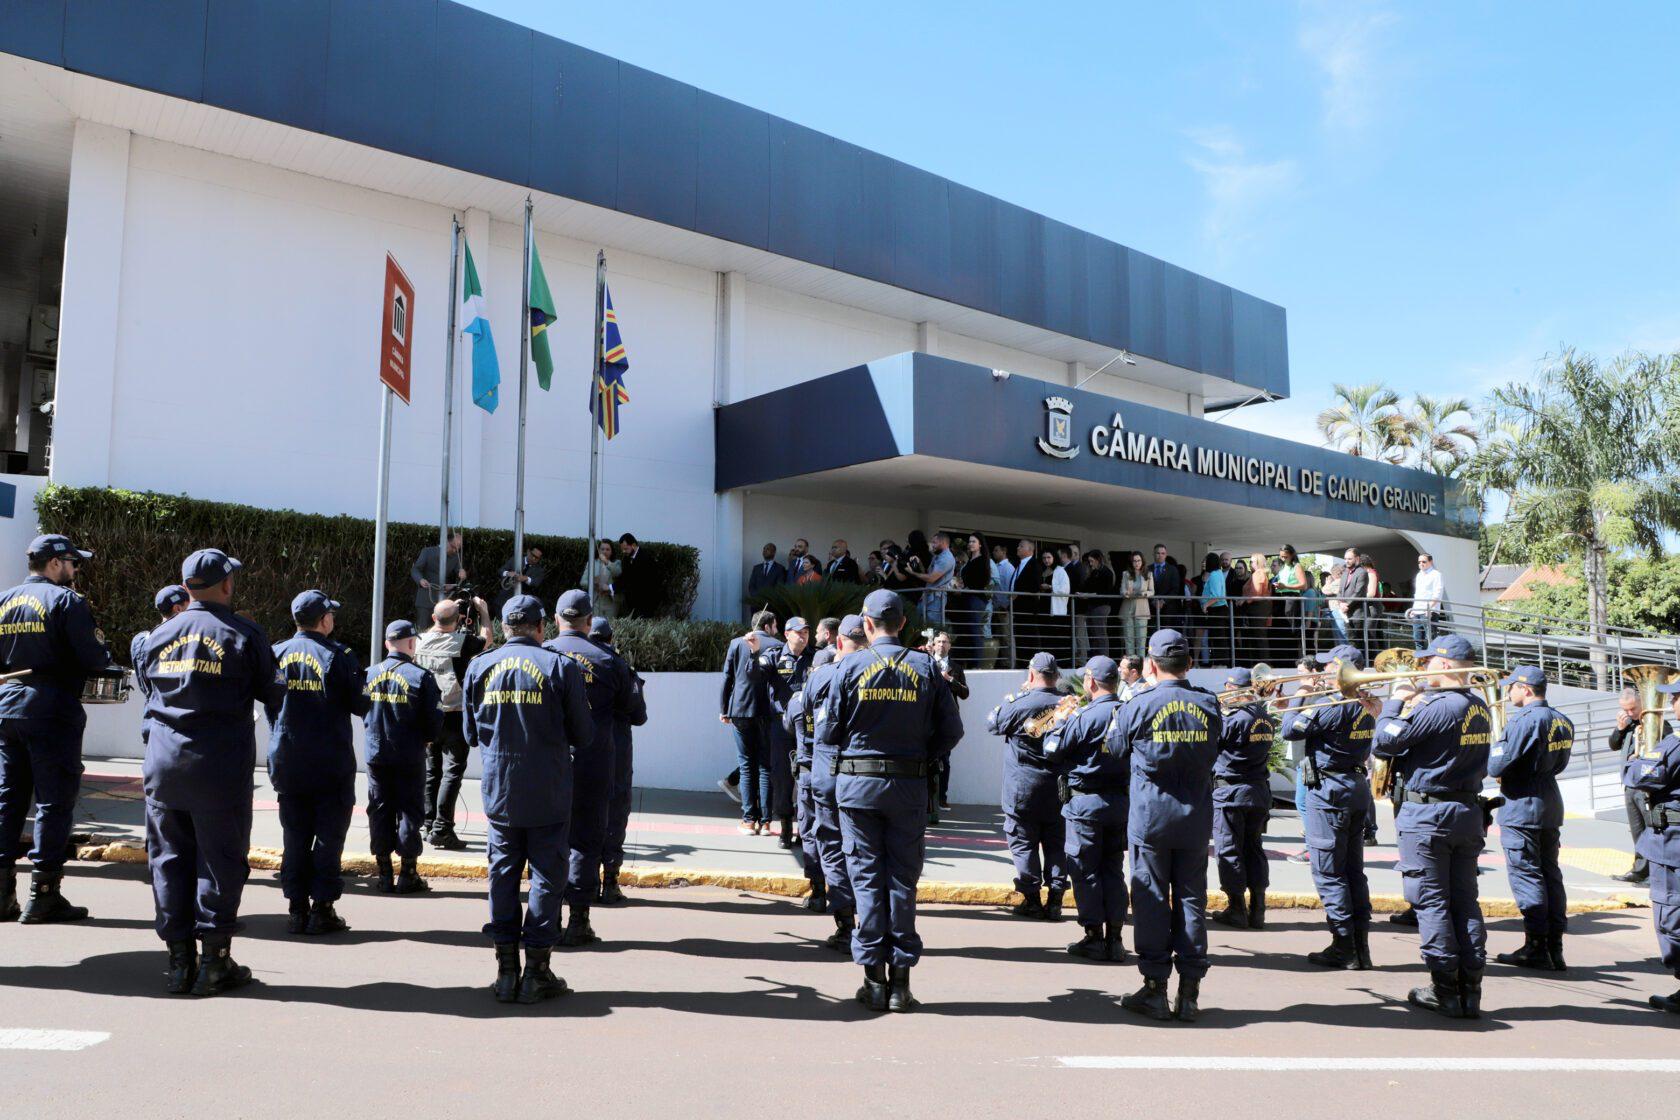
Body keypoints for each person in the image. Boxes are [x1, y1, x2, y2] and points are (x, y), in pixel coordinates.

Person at [138, 548, 280, 995]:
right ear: (227, 584)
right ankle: (214, 961)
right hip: (218, 767)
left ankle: (180, 962)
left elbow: (148, 690)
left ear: (184, 588)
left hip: (163, 764)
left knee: (168, 860)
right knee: (219, 863)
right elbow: (273, 693)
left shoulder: (158, 636)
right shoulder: (243, 632)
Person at [821, 588, 963, 1013]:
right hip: (908, 787)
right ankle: (900, 985)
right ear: (903, 624)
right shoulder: (926, 667)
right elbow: (952, 731)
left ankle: (873, 981)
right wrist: (922, 758)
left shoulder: (848, 667)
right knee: (902, 882)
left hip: (858, 790)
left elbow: (828, 733)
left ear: (866, 624)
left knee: (866, 880)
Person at [462, 594, 593, 1004]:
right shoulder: (560, 666)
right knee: (547, 877)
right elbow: (583, 735)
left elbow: (470, 735)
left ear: (504, 628)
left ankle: (505, 972)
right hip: (548, 791)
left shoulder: (480, 666)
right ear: (541, 628)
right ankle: (536, 971)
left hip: (501, 791)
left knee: (502, 875)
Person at [1370, 633, 1494, 1019]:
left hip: (1428, 816)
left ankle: (1444, 989)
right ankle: (1470, 989)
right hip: (1465, 810)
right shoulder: (1479, 705)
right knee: (1464, 901)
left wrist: (1394, 700)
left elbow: (1384, 744)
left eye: (1426, 664)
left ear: (1443, 665)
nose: (1421, 670)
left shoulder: (1440, 706)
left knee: (1432, 901)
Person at [0, 534, 114, 924]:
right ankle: (44, 894)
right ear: (54, 563)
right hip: (50, 708)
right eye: (73, 563)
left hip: (7, 707)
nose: (76, 570)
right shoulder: (66, 601)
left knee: (9, 799)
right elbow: (94, 657)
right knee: (53, 801)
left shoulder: (4, 599)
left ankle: (1, 896)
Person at [1112, 630, 1221, 1023]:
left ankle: (1155, 989)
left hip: (1151, 817)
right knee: (1192, 900)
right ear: (1189, 663)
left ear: (1151, 665)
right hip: (1194, 818)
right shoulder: (1209, 703)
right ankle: (1189, 993)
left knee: (1152, 900)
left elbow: (1114, 748)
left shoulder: (1139, 703)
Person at [265, 590, 370, 936]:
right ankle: (322, 909)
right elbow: (361, 704)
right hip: (329, 761)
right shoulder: (339, 656)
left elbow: (267, 701)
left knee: (294, 835)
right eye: (331, 616)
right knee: (328, 836)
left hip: (288, 758)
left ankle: (296, 909)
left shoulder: (276, 652)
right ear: (324, 620)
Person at [545, 589, 640, 947]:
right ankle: (579, 921)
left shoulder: (543, 654)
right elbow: (637, 712)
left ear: (556, 620)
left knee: (550, 839)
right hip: (595, 761)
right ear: (588, 621)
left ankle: (548, 917)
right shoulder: (610, 661)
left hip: (551, 761)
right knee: (585, 840)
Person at [1281, 644, 1376, 969]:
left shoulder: (1331, 704)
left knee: (1329, 872)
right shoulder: (1368, 704)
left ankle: (1343, 945)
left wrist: (1303, 691)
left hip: (1329, 790)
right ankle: (1361, 947)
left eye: (1327, 667)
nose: (1321, 672)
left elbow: (1287, 729)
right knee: (1353, 872)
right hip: (1354, 784)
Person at [1488, 665, 1574, 972]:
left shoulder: (1524, 720)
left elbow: (1496, 766)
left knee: (1527, 875)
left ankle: (1536, 945)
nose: (1508, 692)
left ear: (1525, 689)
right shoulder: (1562, 720)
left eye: (1511, 686)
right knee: (1550, 874)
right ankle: (1555, 946)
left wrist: (1497, 745)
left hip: (1523, 802)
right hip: (1549, 799)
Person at [1045, 656, 1128, 958]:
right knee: (1113, 869)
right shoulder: (1128, 712)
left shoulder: (1084, 717)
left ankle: (1094, 936)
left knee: (1085, 871)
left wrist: (1061, 721)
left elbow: (1052, 750)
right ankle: (1116, 938)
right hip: (1120, 801)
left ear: (1091, 682)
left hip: (1085, 804)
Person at [986, 653, 1069, 921]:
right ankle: (1055, 900)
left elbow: (993, 723)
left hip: (1023, 788)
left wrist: (1017, 698)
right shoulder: (1068, 705)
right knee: (1057, 844)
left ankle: (1032, 899)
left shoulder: (1018, 704)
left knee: (1023, 843)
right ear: (1056, 676)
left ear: (1031, 675)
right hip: (1058, 789)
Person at [363, 620, 442, 895]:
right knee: (410, 811)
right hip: (409, 754)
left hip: (376, 754)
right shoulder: (421, 677)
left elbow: (362, 710)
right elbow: (433, 721)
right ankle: (408, 873)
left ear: (386, 644)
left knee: (380, 809)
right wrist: (427, 739)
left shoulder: (369, 673)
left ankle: (384, 873)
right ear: (411, 643)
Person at [799, 615, 864, 950]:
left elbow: (807, 716)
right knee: (866, 852)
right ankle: (870, 926)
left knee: (834, 848)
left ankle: (845, 925)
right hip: (864, 776)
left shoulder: (822, 675)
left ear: (838, 642)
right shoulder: (883, 671)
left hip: (827, 772)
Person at [414, 595, 491, 850]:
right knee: (452, 771)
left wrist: (448, 612)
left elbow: (437, 626)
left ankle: (428, 823)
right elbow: (487, 640)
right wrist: (483, 612)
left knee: (431, 770)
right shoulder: (461, 641)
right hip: (454, 713)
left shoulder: (420, 640)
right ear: (458, 620)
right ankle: (442, 828)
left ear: (434, 618)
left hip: (427, 715)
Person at [1627, 677, 1680, 1014]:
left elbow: (1638, 776)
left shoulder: (1674, 744)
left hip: (1673, 844)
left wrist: (1639, 755)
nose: (1670, 703)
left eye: (1674, 697)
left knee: (1670, 915)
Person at [1210, 668, 1276, 930]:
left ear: (1234, 688)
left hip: (1231, 791)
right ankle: (1258, 908)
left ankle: (1236, 908)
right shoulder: (1266, 716)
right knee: (1254, 848)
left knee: (1229, 850)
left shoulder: (1233, 719)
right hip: (1258, 790)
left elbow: (1212, 746)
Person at [589, 618, 647, 906]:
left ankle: (579, 883)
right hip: (614, 749)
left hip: (580, 750)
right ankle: (609, 882)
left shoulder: (565, 661)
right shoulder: (620, 665)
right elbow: (639, 715)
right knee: (614, 812)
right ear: (611, 638)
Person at [752, 616, 814, 848]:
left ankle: (805, 830)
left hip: (809, 726)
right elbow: (755, 677)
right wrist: (755, 655)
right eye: (798, 632)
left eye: (806, 632)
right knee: (782, 777)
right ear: (787, 634)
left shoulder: (815, 657)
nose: (803, 636)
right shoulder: (774, 656)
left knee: (808, 777)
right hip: (781, 725)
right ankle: (786, 828)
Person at [719, 610, 783, 833]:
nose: (776, 629)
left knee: (746, 765)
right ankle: (765, 822)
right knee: (765, 765)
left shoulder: (736, 643)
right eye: (775, 625)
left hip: (740, 709)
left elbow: (727, 677)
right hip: (767, 710)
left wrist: (724, 709)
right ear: (767, 626)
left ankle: (748, 820)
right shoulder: (777, 645)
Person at [1612, 686, 1669, 884]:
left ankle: (1655, 873)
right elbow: (1613, 744)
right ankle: (1639, 870)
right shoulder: (1629, 725)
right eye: (1625, 709)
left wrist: (1642, 758)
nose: (1629, 713)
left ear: (1643, 704)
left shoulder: (1660, 725)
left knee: (1650, 831)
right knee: (1637, 830)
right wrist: (1620, 729)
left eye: (1633, 709)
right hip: (1630, 785)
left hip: (1648, 787)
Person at [924, 631, 969, 820]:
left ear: (950, 645)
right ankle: (926, 800)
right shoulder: (926, 662)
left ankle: (942, 798)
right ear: (933, 645)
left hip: (947, 719)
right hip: (927, 718)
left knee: (945, 761)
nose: (942, 645)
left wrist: (949, 679)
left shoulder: (956, 667)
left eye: (945, 642)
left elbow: (965, 693)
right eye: (939, 642)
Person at [411, 530, 466, 627]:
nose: (455, 551)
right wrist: (420, 580)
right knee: (422, 628)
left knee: (441, 629)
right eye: (453, 547)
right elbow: (415, 569)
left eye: (458, 549)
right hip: (425, 598)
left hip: (442, 600)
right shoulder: (427, 552)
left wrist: (462, 575)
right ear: (446, 542)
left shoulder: (455, 557)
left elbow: (459, 577)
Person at [954, 534, 992, 667]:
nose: (970, 544)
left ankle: (977, 664)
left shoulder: (982, 560)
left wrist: (966, 587)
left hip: (975, 599)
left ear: (980, 544)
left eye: (973, 541)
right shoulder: (971, 560)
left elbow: (982, 581)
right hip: (967, 598)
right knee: (967, 631)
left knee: (974, 631)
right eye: (969, 541)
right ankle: (967, 661)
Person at [1008, 540, 1045, 666]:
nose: (1018, 548)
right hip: (1017, 608)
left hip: (1028, 608)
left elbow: (1034, 585)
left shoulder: (1034, 565)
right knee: (1019, 637)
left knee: (1029, 637)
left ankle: (1032, 663)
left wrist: (1017, 594)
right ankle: (1021, 662)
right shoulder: (1019, 565)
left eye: (1021, 546)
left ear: (1030, 550)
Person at [1237, 553, 1273, 665]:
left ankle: (1263, 663)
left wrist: (1244, 600)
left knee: (1259, 637)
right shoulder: (1257, 573)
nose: (1250, 563)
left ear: (1258, 562)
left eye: (1252, 561)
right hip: (1257, 608)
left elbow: (1256, 593)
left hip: (1258, 609)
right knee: (1257, 637)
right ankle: (1261, 662)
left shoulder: (1259, 574)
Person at [1198, 553, 1231, 667]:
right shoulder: (1218, 573)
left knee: (1219, 638)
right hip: (1217, 610)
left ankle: (1221, 663)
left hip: (1218, 609)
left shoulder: (1215, 575)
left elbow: (1216, 595)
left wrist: (1205, 605)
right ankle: (1218, 662)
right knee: (1217, 638)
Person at [1119, 552, 1153, 659]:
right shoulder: (1126, 574)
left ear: (1142, 562)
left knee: (1141, 638)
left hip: (1142, 608)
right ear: (1131, 562)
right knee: (1129, 637)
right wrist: (1126, 593)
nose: (1137, 563)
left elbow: (1152, 591)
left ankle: (1141, 663)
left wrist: (1145, 594)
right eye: (1134, 561)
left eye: (1139, 561)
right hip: (1128, 607)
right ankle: (1130, 663)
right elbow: (1122, 590)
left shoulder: (1148, 574)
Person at [1408, 553, 1446, 649]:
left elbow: (1437, 594)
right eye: (1419, 562)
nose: (1421, 563)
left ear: (1430, 562)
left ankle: (1433, 662)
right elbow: (1418, 594)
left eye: (1424, 561)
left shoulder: (1436, 575)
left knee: (1431, 639)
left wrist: (1429, 608)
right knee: (1417, 639)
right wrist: (1413, 609)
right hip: (1417, 611)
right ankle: (1421, 662)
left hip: (1429, 612)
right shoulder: (1419, 575)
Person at [1083, 550, 1116, 659]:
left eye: (1092, 561)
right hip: (1092, 605)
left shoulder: (1107, 572)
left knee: (1100, 633)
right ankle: (1096, 658)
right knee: (1093, 634)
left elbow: (1105, 591)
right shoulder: (1094, 572)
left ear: (1098, 560)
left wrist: (1091, 594)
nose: (1091, 564)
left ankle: (1104, 658)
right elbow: (1088, 586)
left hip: (1101, 606)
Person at [497, 544, 548, 613]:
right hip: (505, 597)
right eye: (533, 555)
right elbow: (500, 571)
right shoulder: (515, 559)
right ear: (528, 552)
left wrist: (526, 578)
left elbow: (536, 583)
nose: (533, 559)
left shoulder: (539, 570)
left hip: (523, 602)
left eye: (537, 558)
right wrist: (508, 573)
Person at [1149, 544, 1185, 636]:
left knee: (1167, 639)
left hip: (1168, 610)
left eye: (1162, 553)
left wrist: (1163, 601)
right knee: (1152, 638)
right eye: (1157, 553)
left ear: (1166, 555)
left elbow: (1175, 589)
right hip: (1151, 610)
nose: (1160, 555)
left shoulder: (1172, 570)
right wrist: (1152, 600)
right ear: (1153, 554)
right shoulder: (1147, 569)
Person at [614, 533, 652, 617]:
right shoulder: (626, 559)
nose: (623, 552)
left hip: (645, 605)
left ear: (633, 545)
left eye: (626, 549)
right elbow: (624, 578)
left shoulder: (646, 558)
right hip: (631, 605)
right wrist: (611, 588)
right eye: (622, 549)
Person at [585, 540, 621, 619]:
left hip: (611, 603)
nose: (605, 551)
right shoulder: (591, 563)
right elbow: (583, 582)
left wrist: (606, 562)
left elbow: (617, 572)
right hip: (596, 602)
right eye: (602, 549)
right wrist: (594, 582)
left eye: (607, 549)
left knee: (610, 627)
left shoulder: (617, 563)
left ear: (611, 551)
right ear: (599, 551)